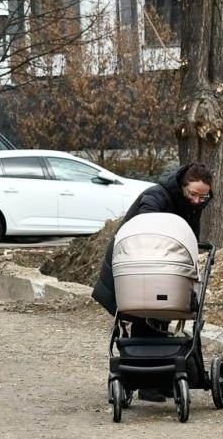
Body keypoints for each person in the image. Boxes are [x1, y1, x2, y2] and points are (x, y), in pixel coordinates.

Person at [91, 162, 215, 399]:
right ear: (182, 186)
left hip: (162, 264)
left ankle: (162, 377)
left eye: (204, 196)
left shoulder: (191, 205)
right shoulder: (155, 196)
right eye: (194, 194)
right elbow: (148, 225)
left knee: (159, 314)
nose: (199, 200)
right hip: (138, 261)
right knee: (146, 314)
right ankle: (148, 382)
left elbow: (190, 236)